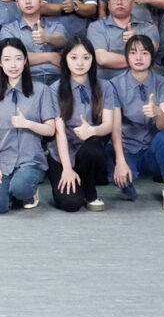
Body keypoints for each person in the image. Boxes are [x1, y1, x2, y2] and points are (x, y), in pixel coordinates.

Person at [108, 35, 164, 212]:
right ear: (127, 57)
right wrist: (120, 161)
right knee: (112, 159)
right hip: (127, 147)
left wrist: (157, 112)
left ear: (151, 56)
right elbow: (115, 128)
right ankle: (126, 185)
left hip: (152, 149)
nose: (139, 57)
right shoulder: (115, 85)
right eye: (133, 53)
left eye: (145, 53)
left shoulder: (163, 83)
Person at [0, 38, 55, 214]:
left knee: (21, 187)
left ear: (25, 60)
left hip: (31, 160)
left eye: (18, 58)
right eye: (7, 59)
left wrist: (27, 124)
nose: (13, 65)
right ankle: (13, 192)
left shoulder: (41, 91)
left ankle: (27, 192)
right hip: (4, 161)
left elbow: (50, 129)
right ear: (0, 63)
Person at [47, 36, 114, 213]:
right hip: (63, 153)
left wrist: (92, 130)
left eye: (86, 57)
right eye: (74, 57)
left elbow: (109, 125)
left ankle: (90, 190)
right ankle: (77, 184)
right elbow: (59, 132)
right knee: (70, 203)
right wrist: (67, 169)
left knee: (93, 147)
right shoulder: (55, 89)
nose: (80, 63)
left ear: (92, 59)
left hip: (89, 150)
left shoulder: (105, 87)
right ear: (65, 59)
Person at [86, 0, 161, 81]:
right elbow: (102, 59)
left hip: (141, 82)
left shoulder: (148, 27)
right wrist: (139, 60)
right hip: (107, 82)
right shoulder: (96, 27)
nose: (119, 2)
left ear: (132, 2)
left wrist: (137, 41)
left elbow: (153, 49)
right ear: (108, 3)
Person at [1, 0, 67, 86]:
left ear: (41, 1)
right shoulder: (9, 29)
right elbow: (14, 57)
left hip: (56, 79)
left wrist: (48, 38)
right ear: (17, 3)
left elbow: (62, 40)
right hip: (26, 79)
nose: (28, 1)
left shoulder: (55, 25)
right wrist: (51, 57)